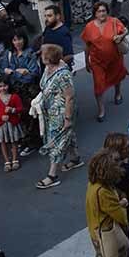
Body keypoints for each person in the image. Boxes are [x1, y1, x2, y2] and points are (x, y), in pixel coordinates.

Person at [35, 43, 84, 190]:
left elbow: (69, 97)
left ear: (49, 59)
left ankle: (52, 175)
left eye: (43, 54)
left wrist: (68, 118)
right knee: (67, 136)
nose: (41, 55)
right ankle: (75, 159)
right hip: (51, 111)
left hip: (62, 113)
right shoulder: (48, 68)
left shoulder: (62, 74)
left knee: (57, 141)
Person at [85, 150, 129, 257]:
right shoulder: (104, 192)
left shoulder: (93, 186)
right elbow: (121, 217)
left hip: (96, 234)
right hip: (108, 236)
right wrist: (123, 203)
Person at [81, 2, 129, 122]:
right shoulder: (89, 27)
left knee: (117, 77)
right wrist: (86, 61)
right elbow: (87, 46)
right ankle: (101, 110)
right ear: (95, 14)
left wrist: (120, 37)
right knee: (98, 86)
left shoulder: (114, 21)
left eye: (104, 11)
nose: (102, 13)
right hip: (97, 62)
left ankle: (117, 93)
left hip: (115, 59)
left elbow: (125, 30)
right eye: (99, 11)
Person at [0, 30, 42, 155]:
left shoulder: (30, 54)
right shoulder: (9, 54)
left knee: (31, 117)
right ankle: (25, 140)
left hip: (28, 92)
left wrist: (12, 72)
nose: (17, 42)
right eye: (15, 40)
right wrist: (19, 72)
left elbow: (31, 76)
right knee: (19, 117)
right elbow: (2, 70)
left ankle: (34, 142)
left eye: (20, 39)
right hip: (14, 92)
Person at [0, 78, 24, 172]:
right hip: (1, 125)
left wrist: (13, 110)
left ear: (9, 86)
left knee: (14, 141)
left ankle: (15, 159)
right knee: (3, 142)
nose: (3, 88)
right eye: (0, 86)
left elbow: (20, 108)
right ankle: (7, 161)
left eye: (5, 85)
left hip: (12, 123)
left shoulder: (14, 97)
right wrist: (0, 117)